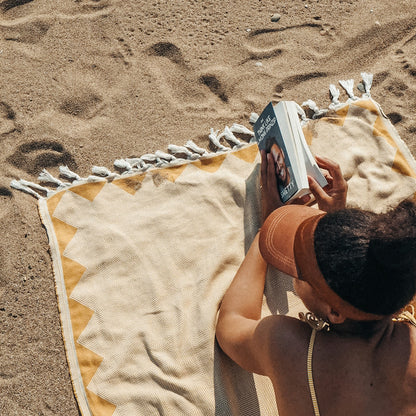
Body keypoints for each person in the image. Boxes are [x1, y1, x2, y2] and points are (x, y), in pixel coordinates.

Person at [215, 150, 416, 416]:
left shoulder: (288, 347)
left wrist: (265, 230)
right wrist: (346, 234)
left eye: (299, 270)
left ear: (334, 311)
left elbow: (231, 325)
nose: (293, 270)